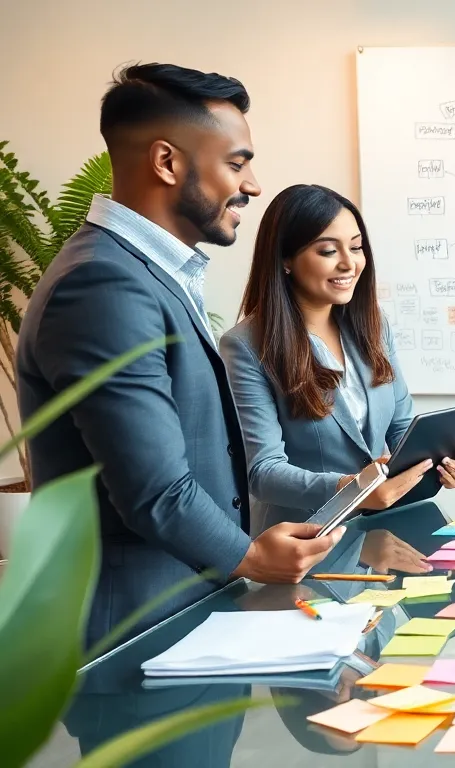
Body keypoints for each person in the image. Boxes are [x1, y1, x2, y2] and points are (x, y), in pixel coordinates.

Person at [16, 63, 342, 650]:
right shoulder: (102, 283)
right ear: (167, 163)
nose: (253, 185)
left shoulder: (145, 274)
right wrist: (249, 554)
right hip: (134, 625)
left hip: (179, 604)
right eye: (237, 163)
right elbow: (154, 488)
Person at [220, 184, 455, 531]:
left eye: (356, 247)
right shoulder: (244, 345)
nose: (349, 263)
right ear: (285, 259)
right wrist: (355, 489)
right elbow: (263, 472)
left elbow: (401, 427)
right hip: (303, 540)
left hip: (379, 532)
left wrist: (436, 462)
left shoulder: (373, 324)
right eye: (327, 250)